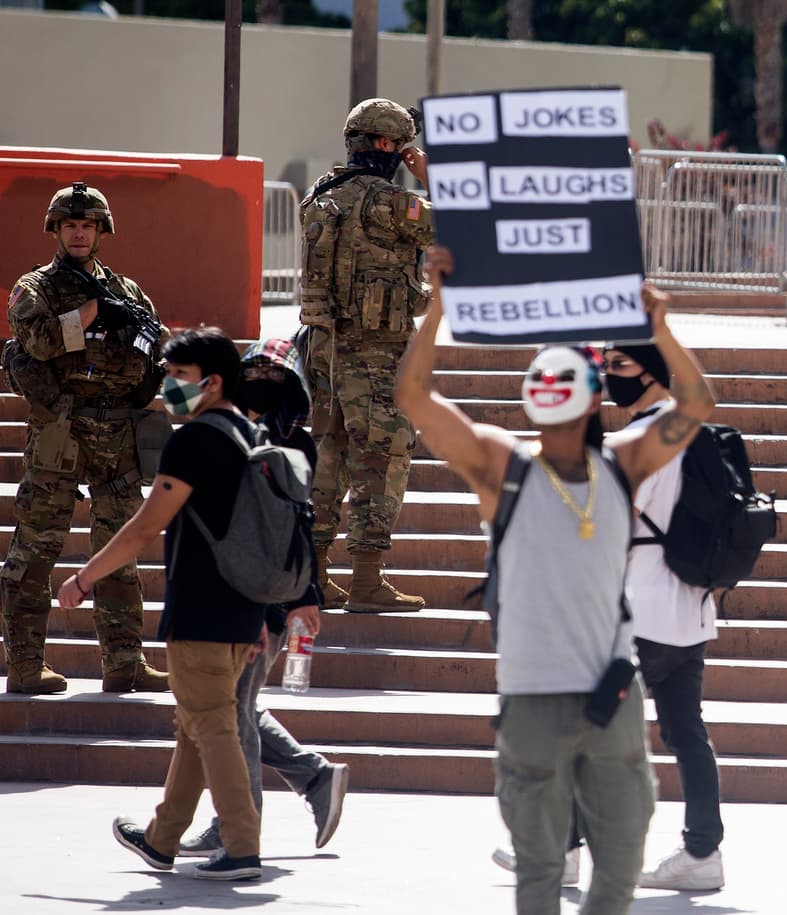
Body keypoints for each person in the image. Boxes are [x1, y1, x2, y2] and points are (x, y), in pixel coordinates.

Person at [395, 247, 716, 915]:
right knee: (549, 866)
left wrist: (656, 327)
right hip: (537, 695)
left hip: (609, 693)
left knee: (605, 856)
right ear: (595, 393)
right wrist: (437, 307)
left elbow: (696, 402)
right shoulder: (503, 465)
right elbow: (413, 399)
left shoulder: (618, 465)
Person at [490, 343, 728, 893]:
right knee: (686, 731)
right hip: (688, 607)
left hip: (636, 605)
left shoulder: (636, 444)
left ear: (652, 374)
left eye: (620, 367)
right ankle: (703, 850)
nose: (611, 377)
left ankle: (567, 849)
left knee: (584, 724)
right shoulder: (688, 433)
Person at [57, 327, 269, 881]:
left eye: (179, 376)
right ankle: (162, 838)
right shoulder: (251, 434)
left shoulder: (195, 440)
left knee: (212, 724)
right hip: (245, 606)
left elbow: (145, 526)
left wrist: (84, 578)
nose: (169, 386)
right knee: (196, 724)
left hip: (201, 606)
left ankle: (243, 844)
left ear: (213, 381)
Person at [176, 338, 350, 860]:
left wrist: (305, 597)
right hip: (226, 588)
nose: (262, 384)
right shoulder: (228, 429)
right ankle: (311, 778)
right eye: (254, 372)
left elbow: (298, 528)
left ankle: (238, 827)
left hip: (266, 595)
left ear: (292, 386)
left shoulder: (292, 443)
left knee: (231, 713)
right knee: (235, 708)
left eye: (275, 377)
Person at [2, 181, 169, 694]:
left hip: (117, 431)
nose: (79, 233)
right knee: (35, 550)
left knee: (120, 550)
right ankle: (26, 665)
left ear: (101, 231)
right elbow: (38, 341)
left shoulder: (128, 291)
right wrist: (91, 314)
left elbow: (153, 349)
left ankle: (124, 662)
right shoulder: (37, 288)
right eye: (70, 225)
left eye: (88, 225)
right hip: (61, 431)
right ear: (56, 230)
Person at [298, 97, 434, 613]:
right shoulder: (386, 200)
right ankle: (367, 581)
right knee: (383, 455)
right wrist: (430, 175)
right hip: (374, 353)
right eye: (400, 145)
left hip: (323, 347)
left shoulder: (320, 195)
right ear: (385, 145)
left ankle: (314, 576)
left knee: (328, 458)